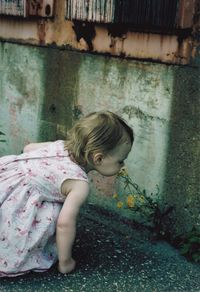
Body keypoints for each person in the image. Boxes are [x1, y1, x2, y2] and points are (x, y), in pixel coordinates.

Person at [0, 111, 134, 277]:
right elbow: (64, 224)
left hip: (5, 183)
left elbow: (28, 148)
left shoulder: (61, 145)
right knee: (54, 208)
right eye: (120, 161)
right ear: (98, 159)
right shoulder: (79, 183)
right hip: (13, 204)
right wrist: (66, 262)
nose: (122, 166)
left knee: (45, 196)